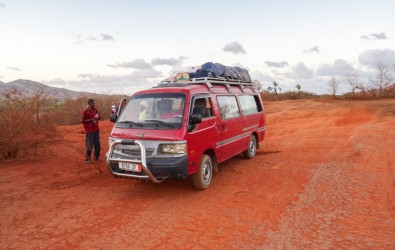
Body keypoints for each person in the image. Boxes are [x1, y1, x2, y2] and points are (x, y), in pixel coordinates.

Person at [81, 99, 101, 163]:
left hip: (96, 130)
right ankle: (88, 159)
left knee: (97, 145)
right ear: (90, 104)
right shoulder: (85, 111)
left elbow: (99, 116)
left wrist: (98, 117)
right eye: (94, 103)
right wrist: (91, 120)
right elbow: (83, 121)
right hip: (90, 131)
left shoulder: (95, 110)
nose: (95, 104)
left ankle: (96, 157)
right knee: (89, 146)